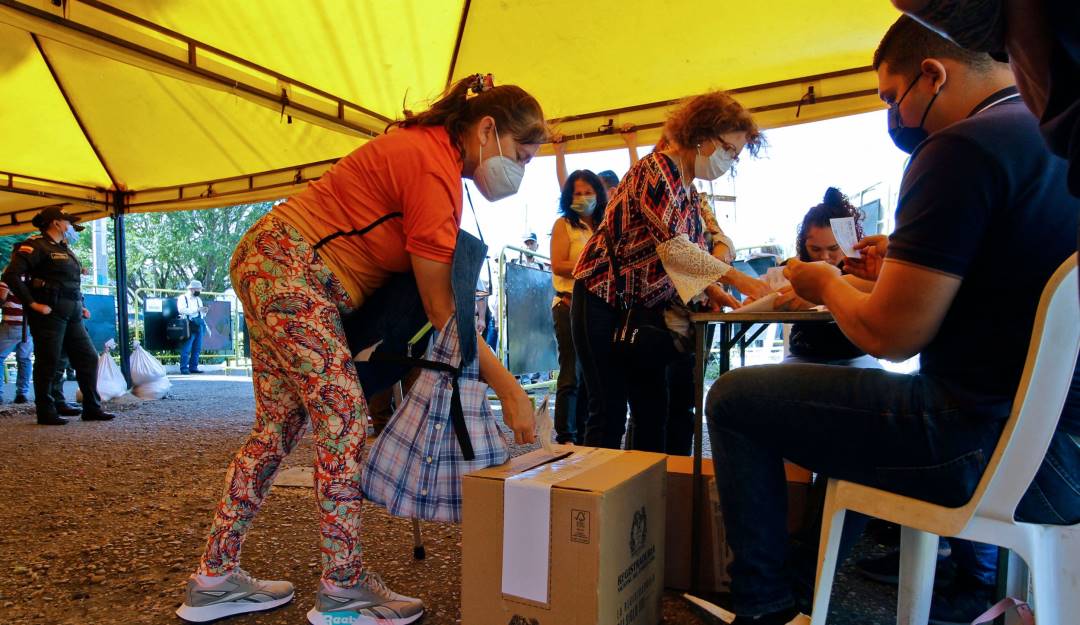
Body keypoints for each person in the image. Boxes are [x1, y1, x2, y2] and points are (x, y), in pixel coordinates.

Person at [708, 18, 1080, 625]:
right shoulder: (1052, 139)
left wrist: (826, 280)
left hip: (975, 439)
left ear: (932, 74)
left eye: (890, 96)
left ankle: (764, 607)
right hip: (1061, 456)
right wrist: (885, 276)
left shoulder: (961, 146)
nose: (894, 115)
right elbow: (987, 299)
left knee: (732, 398)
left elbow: (893, 337)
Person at [177, 74, 541, 625]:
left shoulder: (433, 158)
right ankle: (343, 587)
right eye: (522, 154)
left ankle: (215, 576)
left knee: (277, 430)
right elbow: (443, 311)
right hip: (292, 272)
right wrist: (509, 390)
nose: (520, 171)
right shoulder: (430, 164)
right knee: (345, 423)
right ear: (487, 130)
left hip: (272, 263)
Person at [571, 90, 771, 452]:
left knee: (653, 409)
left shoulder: (690, 193)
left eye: (735, 156)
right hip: (600, 299)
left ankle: (644, 500)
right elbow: (677, 249)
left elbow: (688, 262)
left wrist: (718, 294)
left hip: (642, 312)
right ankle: (593, 502)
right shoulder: (656, 169)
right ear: (703, 135)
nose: (729, 161)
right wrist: (744, 282)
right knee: (608, 408)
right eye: (728, 149)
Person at [0, 206, 114, 426]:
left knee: (88, 357)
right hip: (49, 312)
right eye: (67, 222)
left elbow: (70, 282)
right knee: (48, 361)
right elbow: (11, 275)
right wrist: (32, 303)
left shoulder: (64, 248)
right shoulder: (35, 245)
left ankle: (92, 407)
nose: (70, 226)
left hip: (72, 312)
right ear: (56, 223)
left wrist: (80, 305)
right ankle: (46, 411)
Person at [783, 188, 880, 368]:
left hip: (856, 356)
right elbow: (766, 291)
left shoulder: (865, 269)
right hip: (803, 355)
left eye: (833, 249)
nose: (825, 257)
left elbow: (884, 285)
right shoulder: (794, 269)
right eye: (815, 249)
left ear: (850, 242)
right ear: (804, 246)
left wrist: (823, 288)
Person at [549, 170, 607, 444]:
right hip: (568, 304)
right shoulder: (564, 225)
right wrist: (594, 267)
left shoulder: (605, 226)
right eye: (577, 192)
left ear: (599, 194)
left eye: (588, 192)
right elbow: (558, 264)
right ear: (568, 196)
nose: (583, 197)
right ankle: (565, 436)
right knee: (571, 373)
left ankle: (585, 435)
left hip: (597, 309)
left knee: (593, 376)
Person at [0, 281, 32, 404]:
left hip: (11, 323)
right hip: (29, 324)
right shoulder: (34, 277)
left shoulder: (8, 278)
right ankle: (22, 394)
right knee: (24, 359)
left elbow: (1, 299)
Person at [177, 279, 208, 374]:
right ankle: (184, 368)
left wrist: (204, 311)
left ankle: (193, 367)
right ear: (192, 289)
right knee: (186, 348)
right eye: (198, 289)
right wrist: (197, 309)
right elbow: (181, 310)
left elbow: (201, 313)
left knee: (197, 348)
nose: (200, 291)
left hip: (199, 324)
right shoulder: (183, 298)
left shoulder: (198, 299)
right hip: (188, 325)